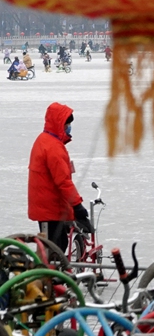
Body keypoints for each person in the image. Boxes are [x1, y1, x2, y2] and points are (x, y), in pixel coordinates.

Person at [28, 103, 90, 251]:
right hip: (52, 209)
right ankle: (53, 274)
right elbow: (63, 181)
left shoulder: (43, 140)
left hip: (43, 207)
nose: (68, 127)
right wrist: (78, 206)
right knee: (57, 250)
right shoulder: (53, 148)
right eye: (67, 124)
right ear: (60, 124)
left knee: (49, 248)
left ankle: (48, 271)